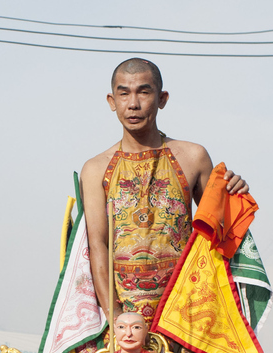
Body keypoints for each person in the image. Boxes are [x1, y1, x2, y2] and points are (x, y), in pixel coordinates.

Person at [81, 59, 248, 326]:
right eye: (124, 93)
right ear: (112, 101)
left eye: (143, 92)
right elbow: (97, 245)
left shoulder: (193, 157)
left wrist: (233, 194)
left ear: (162, 99)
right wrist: (115, 318)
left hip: (188, 314)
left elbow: (219, 232)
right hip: (124, 318)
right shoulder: (95, 169)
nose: (133, 104)